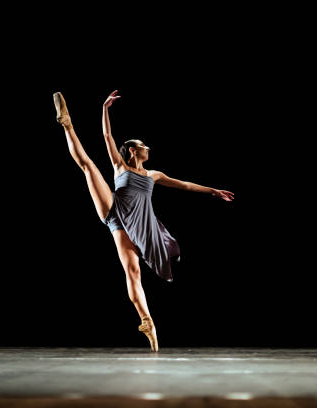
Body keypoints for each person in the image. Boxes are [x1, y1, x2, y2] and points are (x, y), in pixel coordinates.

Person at [53, 90, 234, 352]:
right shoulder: (120, 166)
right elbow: (107, 136)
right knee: (89, 166)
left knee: (133, 272)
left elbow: (183, 184)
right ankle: (67, 124)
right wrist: (105, 108)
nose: (148, 148)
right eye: (144, 145)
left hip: (131, 225)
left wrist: (212, 191)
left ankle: (147, 321)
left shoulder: (153, 175)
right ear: (134, 150)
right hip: (114, 209)